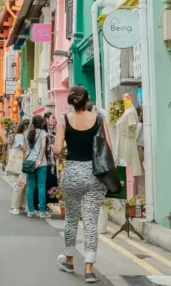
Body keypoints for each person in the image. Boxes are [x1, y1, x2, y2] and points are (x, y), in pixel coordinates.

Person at [53, 85, 112, 283]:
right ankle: (89, 268)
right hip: (95, 175)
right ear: (86, 100)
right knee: (90, 221)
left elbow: (57, 149)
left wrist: (68, 141)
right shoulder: (99, 120)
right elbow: (108, 148)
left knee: (71, 219)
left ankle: (69, 260)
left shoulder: (63, 120)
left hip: (72, 174)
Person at [24, 114, 51, 218]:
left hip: (30, 162)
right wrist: (39, 159)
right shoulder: (43, 133)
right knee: (41, 186)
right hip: (41, 162)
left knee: (30, 186)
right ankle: (42, 211)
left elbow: (25, 148)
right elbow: (44, 147)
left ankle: (30, 210)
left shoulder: (27, 133)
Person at [9, 118, 30, 214]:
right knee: (19, 184)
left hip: (23, 163)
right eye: (29, 126)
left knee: (24, 184)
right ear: (26, 126)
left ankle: (22, 206)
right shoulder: (19, 136)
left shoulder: (23, 135)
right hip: (20, 163)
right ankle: (14, 207)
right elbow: (24, 149)